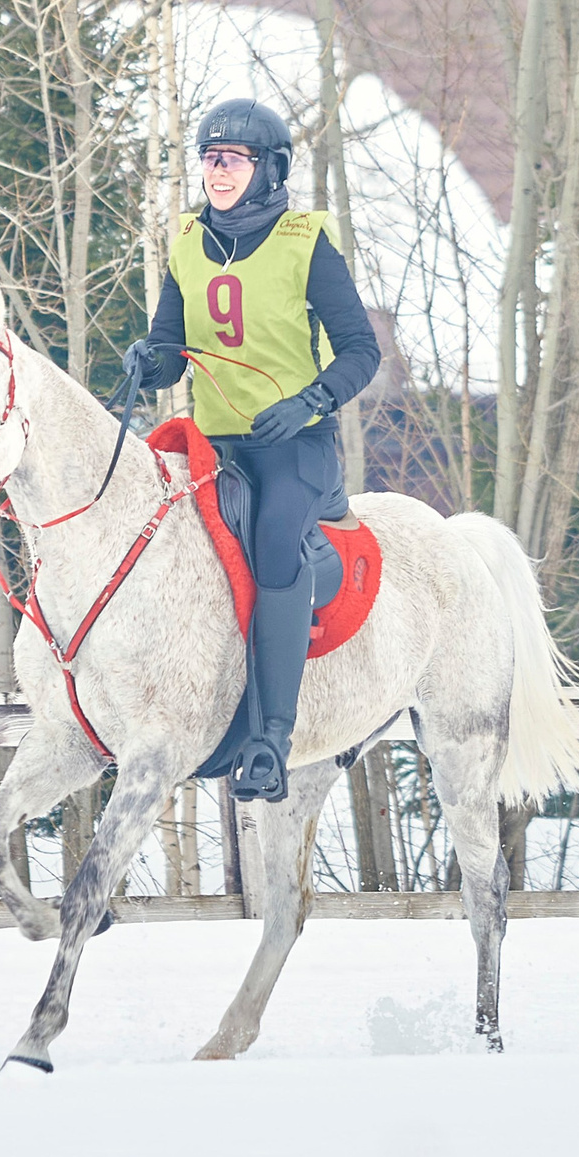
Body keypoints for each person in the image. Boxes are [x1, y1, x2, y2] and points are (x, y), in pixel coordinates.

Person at [122, 97, 379, 801]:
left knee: (272, 542)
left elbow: (362, 350)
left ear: (269, 170)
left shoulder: (306, 241)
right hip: (217, 446)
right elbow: (173, 351)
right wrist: (150, 362)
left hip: (295, 446)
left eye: (232, 160)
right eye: (210, 159)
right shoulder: (184, 243)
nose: (219, 171)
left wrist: (310, 402)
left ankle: (270, 740)